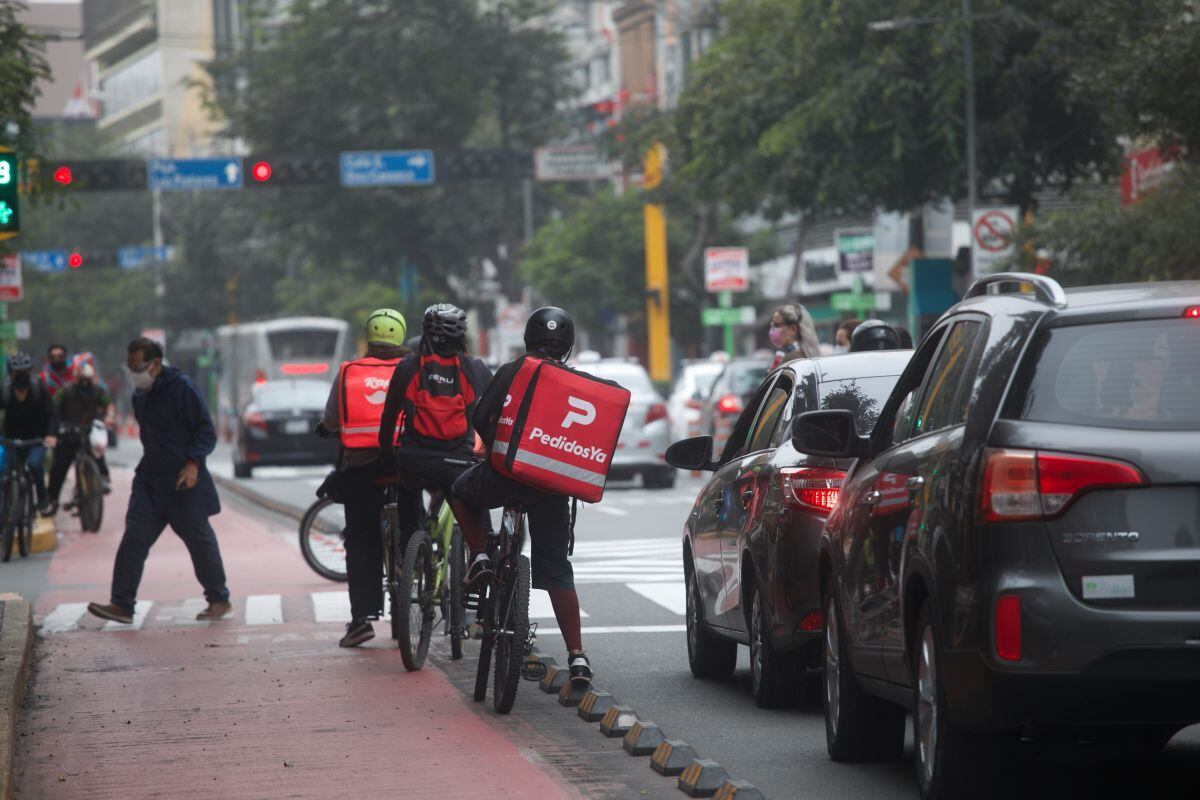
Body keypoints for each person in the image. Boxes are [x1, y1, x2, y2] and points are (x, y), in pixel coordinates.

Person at [451, 307, 594, 684]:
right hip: (550, 489)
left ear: (529, 338)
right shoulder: (574, 381)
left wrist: (495, 445)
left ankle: (480, 556)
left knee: (460, 490)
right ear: (567, 345)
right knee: (558, 569)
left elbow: (481, 417)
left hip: (506, 477)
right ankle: (577, 657)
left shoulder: (514, 370)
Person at [87, 338, 232, 625]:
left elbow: (206, 431)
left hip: (183, 481)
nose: (133, 374)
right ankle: (122, 604)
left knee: (199, 541)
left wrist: (192, 463)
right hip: (150, 480)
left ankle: (218, 598)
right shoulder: (140, 395)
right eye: (129, 368)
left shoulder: (183, 388)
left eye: (138, 367)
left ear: (155, 365)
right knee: (134, 538)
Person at [317, 309, 421, 648]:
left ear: (369, 339)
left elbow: (333, 420)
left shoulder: (349, 372)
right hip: (405, 466)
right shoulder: (414, 369)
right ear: (401, 337)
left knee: (359, 542)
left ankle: (361, 620)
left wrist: (329, 429)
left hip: (362, 470)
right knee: (413, 525)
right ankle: (413, 570)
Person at [377, 304, 493, 592]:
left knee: (407, 487)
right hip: (458, 462)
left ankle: (408, 551)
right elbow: (495, 410)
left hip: (414, 459)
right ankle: (480, 555)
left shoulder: (408, 367)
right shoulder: (474, 369)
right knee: (472, 499)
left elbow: (389, 415)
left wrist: (385, 452)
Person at [47, 362, 115, 514]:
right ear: (76, 377)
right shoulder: (66, 390)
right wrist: (53, 433)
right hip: (68, 434)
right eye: (82, 379)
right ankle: (52, 500)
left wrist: (110, 416)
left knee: (97, 454)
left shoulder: (97, 390)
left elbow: (108, 405)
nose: (85, 382)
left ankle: (102, 479)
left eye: (88, 379)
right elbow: (53, 410)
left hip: (88, 433)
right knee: (59, 468)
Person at [0, 352, 57, 516]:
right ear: (10, 374)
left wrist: (51, 435)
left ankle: (42, 499)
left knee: (34, 465)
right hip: (10, 440)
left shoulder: (38, 389)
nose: (21, 376)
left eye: (24, 372)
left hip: (36, 440)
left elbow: (52, 413)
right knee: (3, 470)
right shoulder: (4, 391)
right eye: (17, 373)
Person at [768, 302, 821, 369]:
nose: (772, 329)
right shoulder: (808, 356)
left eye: (777, 325)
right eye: (772, 325)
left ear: (792, 329)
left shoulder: (791, 360)